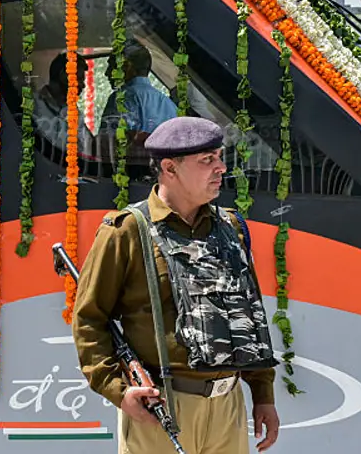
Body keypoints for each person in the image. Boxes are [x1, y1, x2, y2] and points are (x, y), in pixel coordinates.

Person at [71, 117, 281, 454]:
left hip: (228, 407)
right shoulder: (126, 231)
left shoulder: (231, 227)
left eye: (218, 157)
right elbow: (89, 318)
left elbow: (247, 317)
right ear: (170, 168)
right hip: (161, 407)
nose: (221, 168)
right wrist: (118, 390)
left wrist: (262, 395)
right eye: (206, 160)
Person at [101, 41, 178, 145]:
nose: (106, 73)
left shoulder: (122, 98)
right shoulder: (169, 104)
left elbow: (107, 144)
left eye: (111, 66)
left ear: (126, 66)